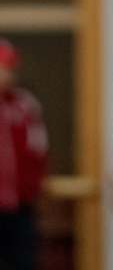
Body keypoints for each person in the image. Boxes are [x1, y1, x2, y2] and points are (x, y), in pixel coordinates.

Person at [0, 38, 48, 270]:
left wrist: (34, 189)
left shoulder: (26, 105)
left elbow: (39, 151)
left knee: (23, 261)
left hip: (21, 207)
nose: (6, 74)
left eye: (9, 68)